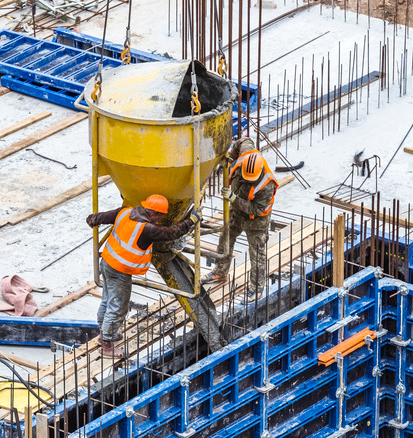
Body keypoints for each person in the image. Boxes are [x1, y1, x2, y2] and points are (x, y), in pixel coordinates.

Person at [86, 194, 201, 357]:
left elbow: (98, 218)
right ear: (153, 213)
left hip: (107, 262)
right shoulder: (147, 229)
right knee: (118, 306)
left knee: (107, 298)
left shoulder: (124, 212)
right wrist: (192, 221)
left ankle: (103, 334)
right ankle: (106, 346)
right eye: (161, 216)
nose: (161, 219)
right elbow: (171, 233)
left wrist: (92, 219)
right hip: (120, 270)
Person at [202, 137, 277, 299]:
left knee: (257, 254)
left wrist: (234, 198)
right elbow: (243, 140)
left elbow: (257, 209)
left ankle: (256, 288)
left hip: (256, 221)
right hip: (236, 212)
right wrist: (229, 158)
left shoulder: (267, 184)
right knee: (225, 239)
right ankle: (220, 272)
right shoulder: (245, 153)